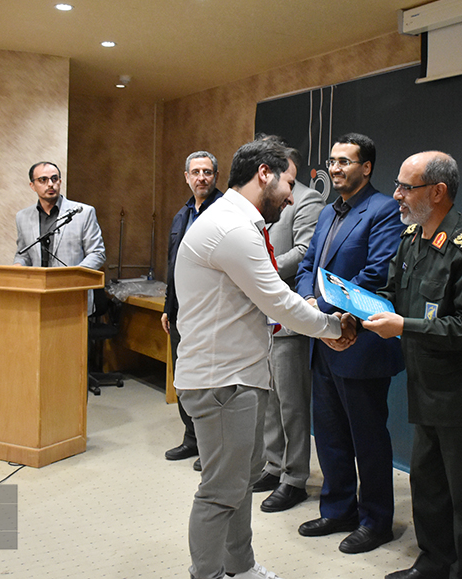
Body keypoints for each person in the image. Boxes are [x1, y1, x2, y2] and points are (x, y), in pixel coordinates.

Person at [173, 139, 355, 579]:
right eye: (289, 184)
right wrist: (334, 328)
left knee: (239, 482)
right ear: (264, 174)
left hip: (236, 375)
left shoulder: (233, 220)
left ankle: (241, 566)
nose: (292, 196)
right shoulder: (232, 228)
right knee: (220, 491)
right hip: (222, 380)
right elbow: (277, 300)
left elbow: (260, 301)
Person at [364, 151, 462, 579]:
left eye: (405, 187)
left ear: (437, 191)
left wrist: (403, 326)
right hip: (428, 392)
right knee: (428, 487)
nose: (396, 195)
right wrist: (354, 308)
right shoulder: (411, 238)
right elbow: (391, 292)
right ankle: (433, 563)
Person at [295, 132, 404, 554]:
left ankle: (376, 521)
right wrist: (307, 303)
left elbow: (377, 273)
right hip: (323, 339)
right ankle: (338, 508)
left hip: (361, 343)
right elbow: (308, 265)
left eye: (345, 161)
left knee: (367, 438)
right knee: (329, 433)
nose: (335, 168)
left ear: (367, 167)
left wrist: (323, 308)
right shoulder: (327, 212)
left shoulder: (383, 210)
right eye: (332, 161)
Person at [251, 138, 325, 513]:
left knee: (292, 403)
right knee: (270, 400)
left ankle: (295, 477)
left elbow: (306, 250)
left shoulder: (307, 199)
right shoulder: (260, 200)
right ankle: (274, 465)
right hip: (261, 314)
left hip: (289, 314)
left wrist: (260, 270)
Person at [161, 151, 224, 466]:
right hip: (181, 313)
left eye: (207, 172)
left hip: (211, 312)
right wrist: (167, 307)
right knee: (184, 378)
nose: (202, 177)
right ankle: (192, 438)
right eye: (196, 172)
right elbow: (173, 265)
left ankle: (212, 444)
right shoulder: (181, 215)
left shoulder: (225, 212)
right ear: (186, 177)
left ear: (216, 176)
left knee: (209, 382)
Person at [14, 161, 106, 312]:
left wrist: (74, 276)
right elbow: (23, 254)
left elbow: (97, 253)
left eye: (54, 179)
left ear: (60, 182)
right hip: (36, 297)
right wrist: (18, 266)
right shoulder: (22, 217)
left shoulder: (83, 213)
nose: (50, 184)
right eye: (43, 180)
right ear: (32, 185)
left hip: (73, 296)